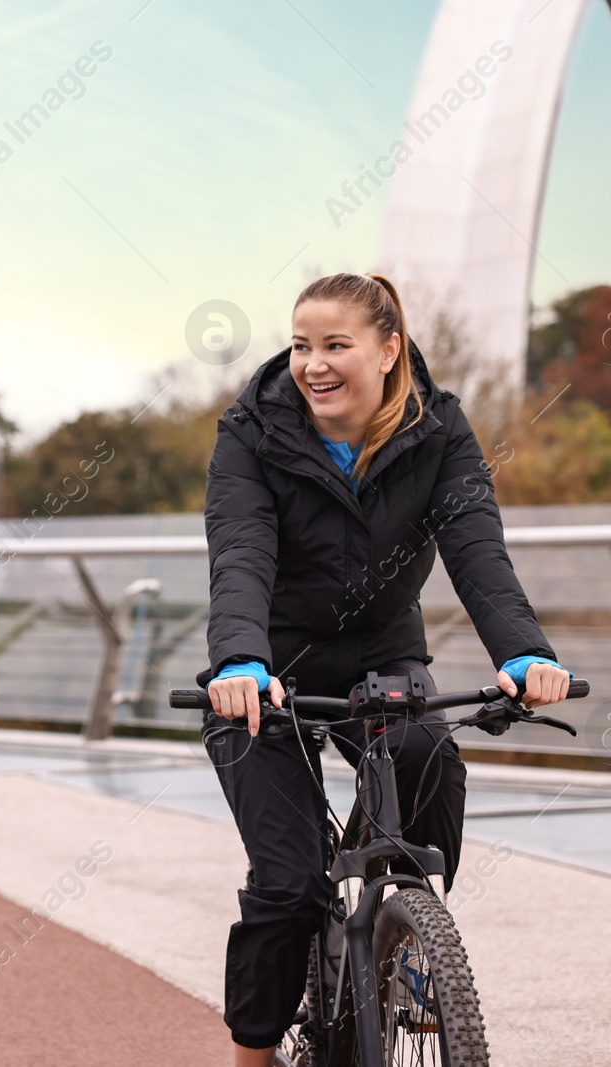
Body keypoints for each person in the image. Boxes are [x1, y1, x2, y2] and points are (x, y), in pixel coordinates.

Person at [199, 272, 571, 1064]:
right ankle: (254, 1054)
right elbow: (240, 553)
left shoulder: (438, 432)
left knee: (426, 752)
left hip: (381, 659)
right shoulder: (251, 432)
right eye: (302, 345)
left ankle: (401, 937)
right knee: (288, 883)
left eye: (337, 345)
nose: (314, 364)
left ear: (389, 350)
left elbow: (477, 550)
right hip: (266, 675)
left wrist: (524, 652)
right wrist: (238, 657)